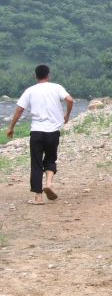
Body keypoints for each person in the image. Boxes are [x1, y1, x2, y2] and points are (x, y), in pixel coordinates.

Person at [6, 65, 74, 205]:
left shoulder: (30, 90)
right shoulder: (56, 87)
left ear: (35, 76)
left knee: (36, 163)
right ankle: (48, 184)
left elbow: (19, 110)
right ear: (49, 75)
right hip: (53, 132)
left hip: (37, 132)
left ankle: (38, 197)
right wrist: (67, 115)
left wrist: (11, 127)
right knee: (50, 159)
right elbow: (70, 100)